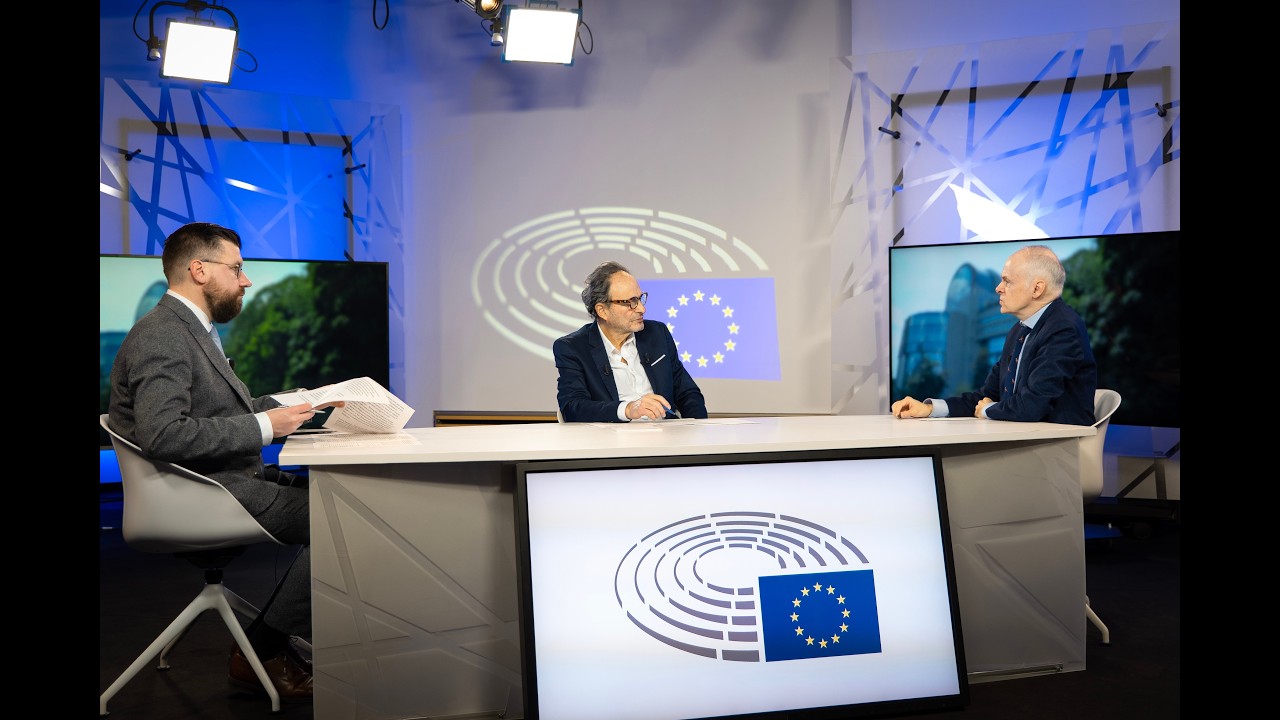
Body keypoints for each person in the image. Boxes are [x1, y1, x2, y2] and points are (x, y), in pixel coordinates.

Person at [107, 222, 340, 702]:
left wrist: (304, 406)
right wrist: (267, 427)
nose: (246, 279)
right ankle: (261, 650)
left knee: (338, 496)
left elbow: (220, 412)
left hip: (219, 481)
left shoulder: (191, 330)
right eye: (237, 268)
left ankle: (273, 642)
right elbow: (164, 434)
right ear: (199, 270)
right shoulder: (163, 335)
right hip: (200, 494)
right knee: (342, 521)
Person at [890, 244, 1096, 425]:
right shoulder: (1019, 331)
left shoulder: (1063, 328)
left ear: (1037, 289)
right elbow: (985, 396)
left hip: (1058, 449)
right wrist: (930, 409)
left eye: (1007, 281)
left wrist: (988, 410)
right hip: (1023, 440)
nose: (998, 288)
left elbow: (1033, 405)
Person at [554, 261, 708, 422]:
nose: (642, 308)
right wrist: (627, 409)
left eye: (641, 299)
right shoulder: (573, 347)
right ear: (602, 310)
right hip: (612, 440)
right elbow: (572, 407)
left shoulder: (657, 333)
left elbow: (687, 393)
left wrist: (696, 432)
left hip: (665, 435)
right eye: (631, 302)